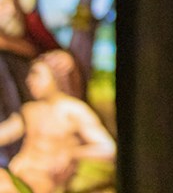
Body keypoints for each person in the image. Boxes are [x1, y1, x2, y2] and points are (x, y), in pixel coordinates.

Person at [0, 51, 114, 193]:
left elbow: (108, 148)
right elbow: (7, 133)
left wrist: (73, 153)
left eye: (36, 75)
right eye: (30, 75)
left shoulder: (74, 110)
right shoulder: (30, 110)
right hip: (16, 174)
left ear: (55, 77)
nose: (30, 80)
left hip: (44, 183)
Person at [0, 0, 61, 166]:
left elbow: (43, 52)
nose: (7, 11)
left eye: (10, 2)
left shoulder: (31, 31)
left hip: (25, 121)